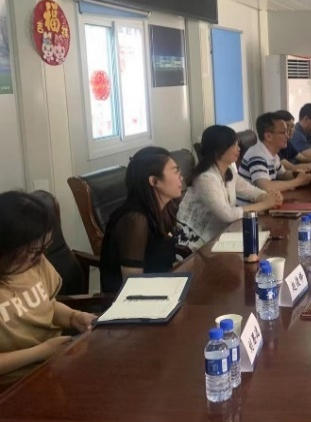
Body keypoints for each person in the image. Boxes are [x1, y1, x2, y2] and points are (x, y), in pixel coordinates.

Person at [0, 191, 97, 382]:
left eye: (44, 248)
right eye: (33, 250)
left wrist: (74, 317)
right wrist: (41, 352)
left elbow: (47, 305)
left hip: (55, 362)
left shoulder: (35, 263)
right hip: (15, 383)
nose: (39, 257)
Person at [175, 125, 283, 251]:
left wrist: (267, 196)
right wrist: (265, 204)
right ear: (218, 149)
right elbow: (227, 214)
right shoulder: (205, 179)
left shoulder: (229, 171)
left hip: (218, 237)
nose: (238, 149)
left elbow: (251, 191)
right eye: (233, 145)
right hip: (193, 244)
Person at [100, 147, 183, 294]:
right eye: (175, 172)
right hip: (137, 299)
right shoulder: (135, 221)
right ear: (154, 181)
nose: (181, 177)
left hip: (162, 288)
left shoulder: (164, 209)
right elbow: (133, 287)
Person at [238, 112, 311, 198]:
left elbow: (283, 174)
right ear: (268, 136)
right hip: (253, 206)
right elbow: (266, 187)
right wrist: (298, 181)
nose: (287, 136)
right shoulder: (257, 156)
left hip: (268, 201)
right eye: (283, 132)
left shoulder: (272, 154)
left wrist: (299, 174)